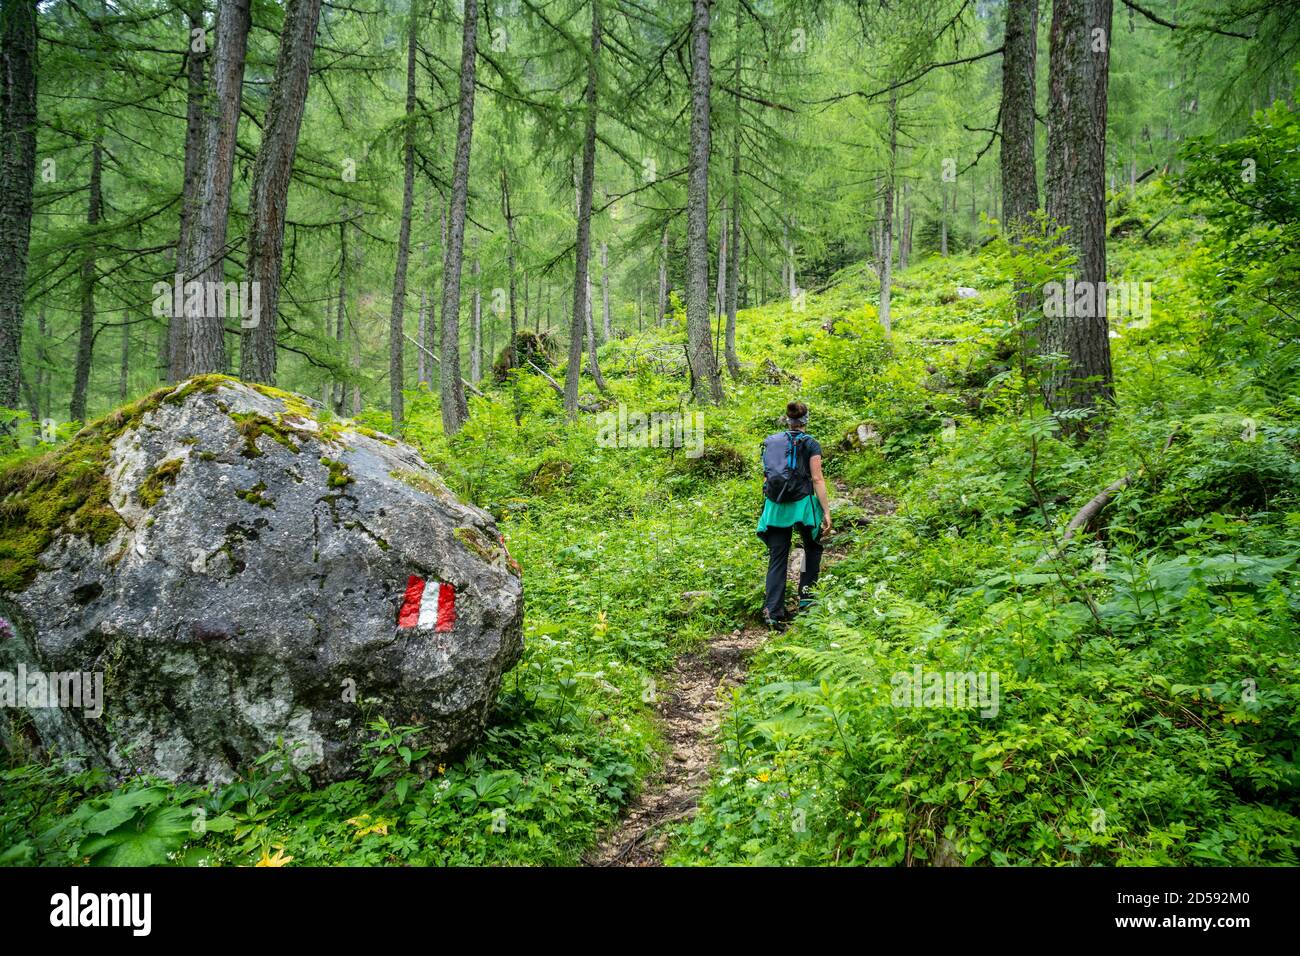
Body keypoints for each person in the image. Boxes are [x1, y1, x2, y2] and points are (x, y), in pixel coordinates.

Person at [757, 401, 831, 629]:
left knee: (778, 556)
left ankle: (773, 611)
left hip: (776, 506)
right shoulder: (811, 443)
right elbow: (817, 479)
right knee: (812, 550)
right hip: (803, 505)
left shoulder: (772, 442)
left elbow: (767, 477)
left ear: (787, 419)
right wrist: (826, 511)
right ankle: (807, 604)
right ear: (806, 420)